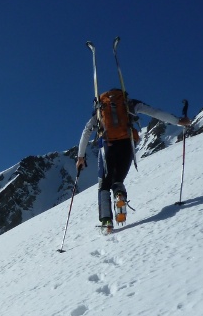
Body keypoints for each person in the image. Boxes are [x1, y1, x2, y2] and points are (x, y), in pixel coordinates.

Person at [76, 89, 191, 229]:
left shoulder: (100, 110)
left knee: (104, 184)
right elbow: (155, 112)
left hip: (107, 145)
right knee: (118, 180)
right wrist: (178, 121)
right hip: (127, 144)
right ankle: (119, 194)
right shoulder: (130, 104)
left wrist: (80, 157)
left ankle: (106, 221)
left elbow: (86, 131)